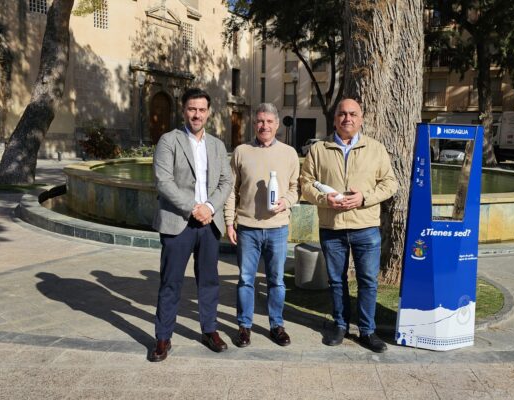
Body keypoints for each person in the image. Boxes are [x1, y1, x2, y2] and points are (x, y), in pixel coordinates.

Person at [299, 98, 397, 353]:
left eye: (353, 114)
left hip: (366, 227)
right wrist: (324, 198)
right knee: (336, 281)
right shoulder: (319, 149)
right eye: (342, 114)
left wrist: (364, 197)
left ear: (361, 118)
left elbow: (390, 183)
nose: (347, 118)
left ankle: (367, 331)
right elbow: (306, 185)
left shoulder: (375, 149)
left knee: (368, 281)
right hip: (332, 228)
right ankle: (340, 325)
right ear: (335, 119)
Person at [149, 88, 232, 362]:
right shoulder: (169, 141)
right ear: (183, 110)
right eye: (192, 109)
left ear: (209, 113)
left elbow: (226, 182)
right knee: (170, 282)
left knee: (209, 281)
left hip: (209, 224)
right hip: (178, 223)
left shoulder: (218, 146)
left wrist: (208, 208)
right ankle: (163, 337)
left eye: (201, 110)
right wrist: (192, 207)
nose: (197, 114)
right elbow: (163, 181)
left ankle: (209, 329)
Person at [224, 103, 299, 348]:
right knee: (246, 279)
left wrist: (285, 202)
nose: (264, 126)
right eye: (259, 121)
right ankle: (244, 326)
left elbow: (295, 188)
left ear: (277, 124)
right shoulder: (241, 151)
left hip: (278, 228)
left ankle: (276, 325)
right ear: (253, 124)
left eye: (269, 121)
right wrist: (229, 221)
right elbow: (231, 191)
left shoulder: (289, 153)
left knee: (276, 280)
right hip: (247, 228)